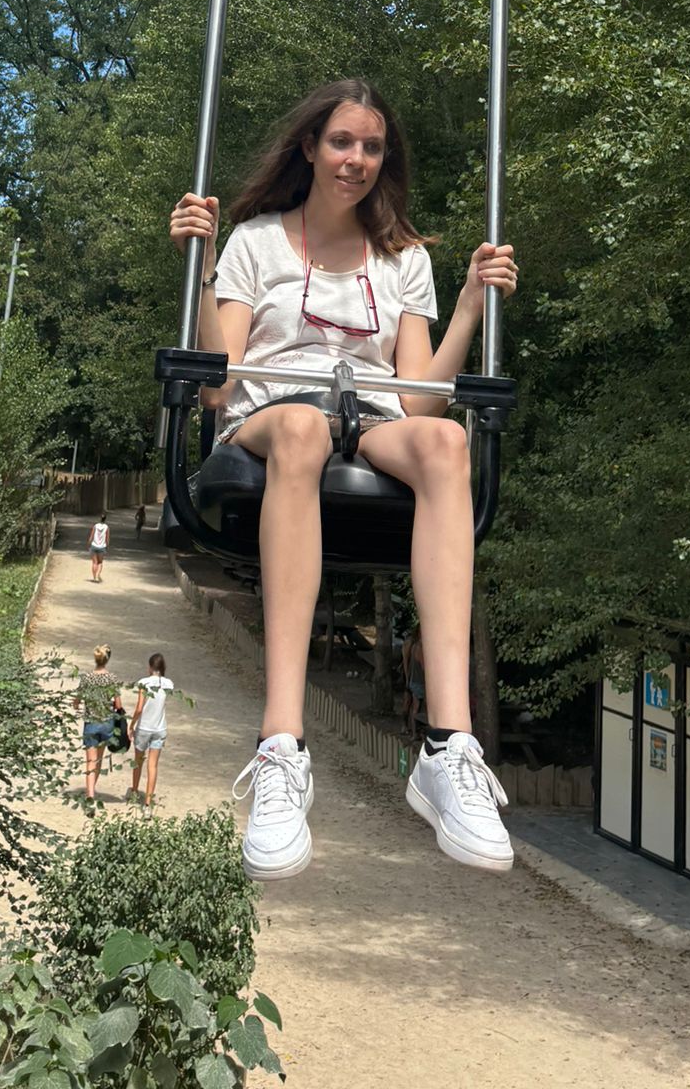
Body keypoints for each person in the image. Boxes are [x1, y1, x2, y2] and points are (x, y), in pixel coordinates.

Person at [169, 77, 519, 882]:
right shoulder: (257, 242)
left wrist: (470, 304)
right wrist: (202, 269)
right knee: (301, 425)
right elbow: (219, 385)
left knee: (447, 443)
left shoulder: (404, 260)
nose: (356, 160)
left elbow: (418, 397)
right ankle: (281, 746)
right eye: (341, 142)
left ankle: (448, 745)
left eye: (372, 147)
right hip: (269, 415)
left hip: (370, 418)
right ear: (309, 147)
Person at [75, 643, 125, 805]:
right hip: (106, 723)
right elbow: (118, 705)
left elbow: (77, 700)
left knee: (90, 761)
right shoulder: (112, 679)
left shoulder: (87, 678)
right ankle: (92, 790)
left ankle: (89, 794)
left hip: (91, 723)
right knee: (98, 759)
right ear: (107, 660)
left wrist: (78, 705)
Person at [128, 651, 174, 808]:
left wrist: (131, 725)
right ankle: (148, 803)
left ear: (150, 667)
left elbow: (139, 708)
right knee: (153, 765)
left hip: (144, 727)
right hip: (160, 728)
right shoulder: (168, 684)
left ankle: (134, 791)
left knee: (138, 761)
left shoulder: (144, 683)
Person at [402, 627, 426, 741]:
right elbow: (423, 667)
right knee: (415, 707)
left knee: (414, 707)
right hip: (417, 681)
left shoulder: (415, 645)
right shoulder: (418, 646)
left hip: (413, 680)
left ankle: (414, 731)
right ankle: (414, 731)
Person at [88, 512, 110, 583]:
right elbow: (107, 538)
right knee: (100, 562)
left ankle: (94, 577)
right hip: (102, 547)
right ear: (105, 519)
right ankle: (98, 574)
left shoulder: (95, 526)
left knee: (94, 562)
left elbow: (91, 536)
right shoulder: (106, 527)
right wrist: (107, 546)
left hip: (94, 545)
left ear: (100, 518)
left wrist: (89, 544)